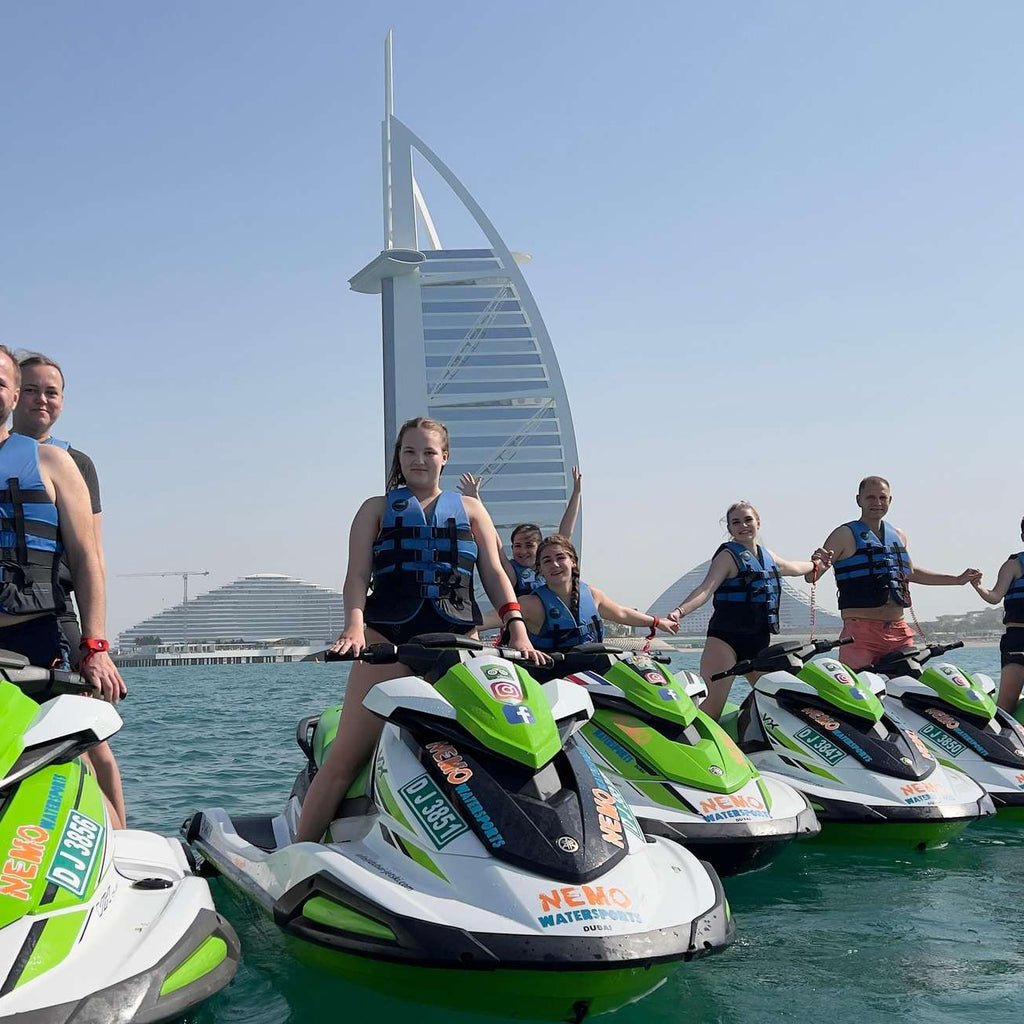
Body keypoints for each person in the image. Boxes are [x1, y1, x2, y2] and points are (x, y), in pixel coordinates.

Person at [295, 417, 547, 843]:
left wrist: (517, 628)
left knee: (489, 749)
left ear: (444, 457)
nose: (418, 460)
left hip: (458, 643)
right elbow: (357, 575)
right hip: (387, 642)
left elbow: (494, 575)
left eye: (429, 452)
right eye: (409, 451)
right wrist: (354, 628)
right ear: (398, 456)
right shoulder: (375, 509)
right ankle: (298, 853)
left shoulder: (472, 510)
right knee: (345, 759)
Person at [0, 345, 126, 826]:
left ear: (12, 396)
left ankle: (119, 845)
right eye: (33, 388)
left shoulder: (58, 463)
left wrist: (95, 646)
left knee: (75, 758)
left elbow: (89, 556)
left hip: (42, 633)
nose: (40, 398)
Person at [666, 501, 832, 719]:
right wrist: (679, 612)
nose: (743, 525)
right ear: (729, 528)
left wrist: (816, 564)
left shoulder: (768, 556)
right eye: (736, 522)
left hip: (758, 644)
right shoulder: (727, 557)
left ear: (758, 522)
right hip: (725, 642)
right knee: (711, 712)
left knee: (780, 706)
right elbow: (705, 589)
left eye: (748, 520)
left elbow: (793, 568)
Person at [813, 475, 980, 672]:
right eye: (870, 497)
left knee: (911, 684)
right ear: (859, 500)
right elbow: (812, 575)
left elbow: (911, 573)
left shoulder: (898, 535)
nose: (877, 502)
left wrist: (957, 580)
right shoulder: (843, 535)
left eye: (882, 498)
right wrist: (817, 564)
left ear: (890, 500)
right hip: (860, 633)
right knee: (859, 687)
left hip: (899, 631)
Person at [481, 533, 679, 652]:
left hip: (593, 671)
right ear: (539, 569)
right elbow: (489, 619)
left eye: (561, 558)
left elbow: (622, 613)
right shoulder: (530, 604)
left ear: (573, 562)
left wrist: (657, 622)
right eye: (547, 561)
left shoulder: (592, 595)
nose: (555, 564)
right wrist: (464, 628)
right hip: (552, 675)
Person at [459, 466, 582, 595]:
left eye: (529, 545)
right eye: (518, 546)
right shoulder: (512, 570)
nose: (523, 551)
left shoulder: (547, 566)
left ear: (540, 547)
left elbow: (564, 535)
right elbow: (490, 533)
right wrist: (474, 498)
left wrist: (576, 493)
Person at [970, 516, 1024, 711]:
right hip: (1017, 639)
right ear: (1023, 536)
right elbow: (994, 597)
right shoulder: (1014, 565)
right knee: (1007, 703)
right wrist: (978, 586)